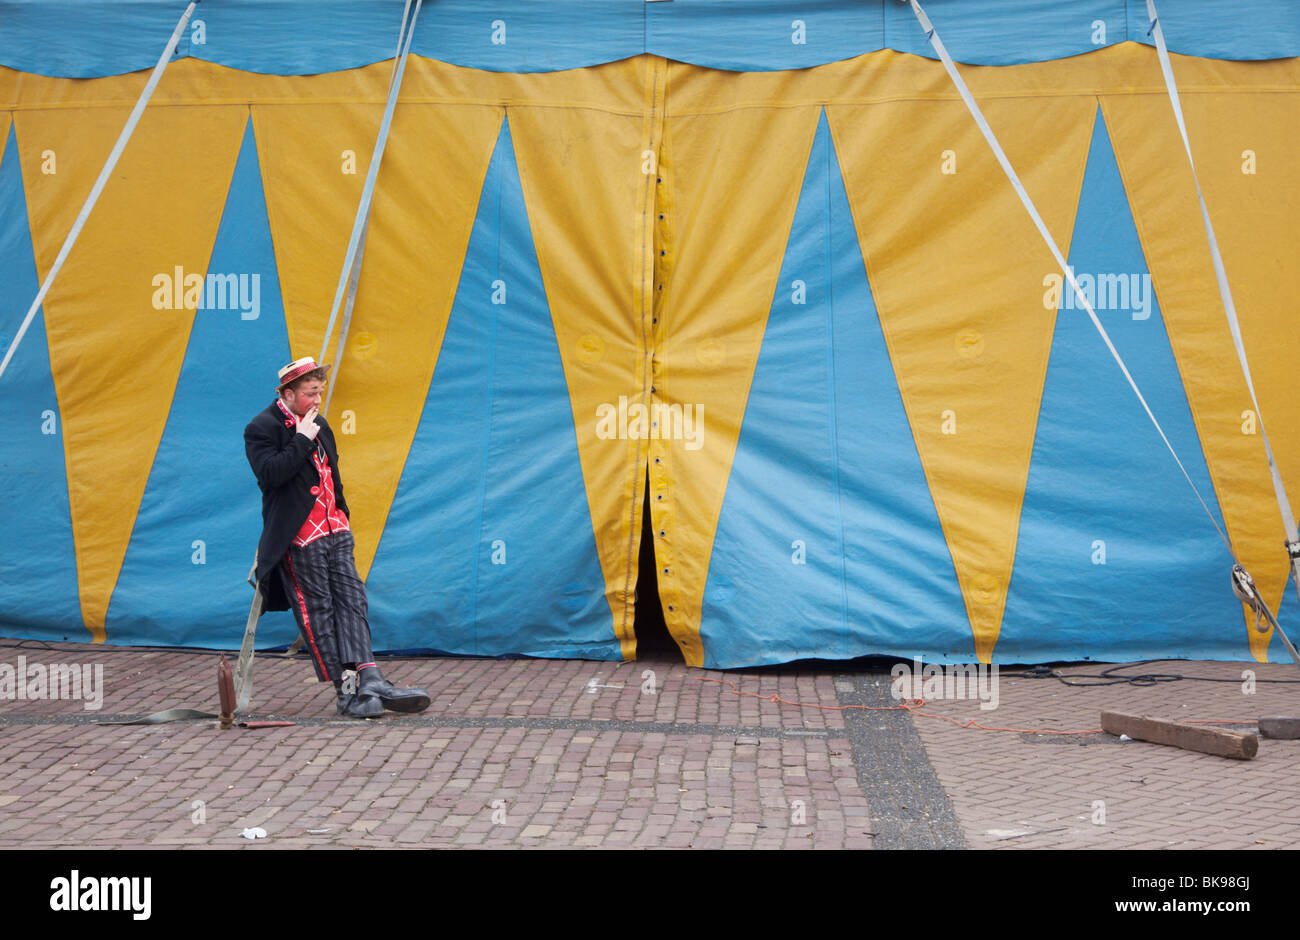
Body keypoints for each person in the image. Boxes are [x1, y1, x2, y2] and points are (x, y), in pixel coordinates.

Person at [243, 356, 430, 718]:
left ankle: (370, 677)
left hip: (335, 530)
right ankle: (347, 693)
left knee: (352, 600)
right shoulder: (262, 427)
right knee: (318, 612)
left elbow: (333, 474)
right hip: (300, 537)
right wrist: (300, 439)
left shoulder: (320, 424)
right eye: (310, 393)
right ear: (288, 393)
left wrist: (342, 513)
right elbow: (271, 475)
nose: (316, 400)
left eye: (319, 392)